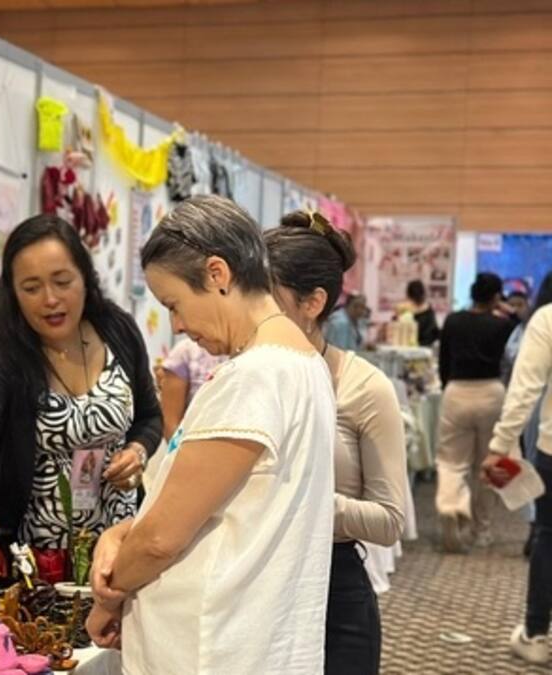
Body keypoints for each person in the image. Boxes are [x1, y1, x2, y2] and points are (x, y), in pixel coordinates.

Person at [87, 195, 335, 674]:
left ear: (218, 274)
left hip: (212, 645)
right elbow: (226, 509)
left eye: (175, 305)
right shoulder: (304, 362)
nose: (178, 325)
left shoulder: (254, 375)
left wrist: (109, 596)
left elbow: (162, 537)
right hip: (258, 641)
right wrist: (122, 533)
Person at [0, 215, 163, 574]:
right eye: (31, 288)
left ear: (85, 278)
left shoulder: (117, 329)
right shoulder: (1, 353)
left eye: (63, 282)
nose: (50, 299)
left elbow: (150, 418)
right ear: (13, 292)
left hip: (119, 546)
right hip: (34, 562)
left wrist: (137, 453)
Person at [267, 210, 408, 675]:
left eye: (267, 298)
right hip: (255, 585)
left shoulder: (364, 387)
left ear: (313, 303)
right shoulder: (242, 376)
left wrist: (309, 503)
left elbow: (390, 520)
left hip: (333, 588)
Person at [484, 280, 552, 665]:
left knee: (549, 538)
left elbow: (524, 389)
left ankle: (536, 634)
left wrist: (499, 447)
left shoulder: (546, 319)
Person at [436, 272, 520, 552]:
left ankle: (451, 508)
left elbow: (443, 361)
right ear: (496, 297)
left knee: (451, 461)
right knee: (490, 464)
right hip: (492, 393)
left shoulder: (453, 320)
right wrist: (509, 312)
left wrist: (448, 385)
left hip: (457, 391)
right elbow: (522, 334)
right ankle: (482, 530)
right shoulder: (502, 325)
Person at [159, 337, 226, 440]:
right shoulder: (185, 351)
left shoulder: (254, 350)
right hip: (194, 446)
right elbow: (170, 422)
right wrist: (179, 453)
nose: (178, 329)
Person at [396, 279, 440, 346]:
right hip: (421, 347)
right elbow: (433, 333)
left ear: (408, 294)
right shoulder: (428, 311)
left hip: (408, 346)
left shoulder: (403, 309)